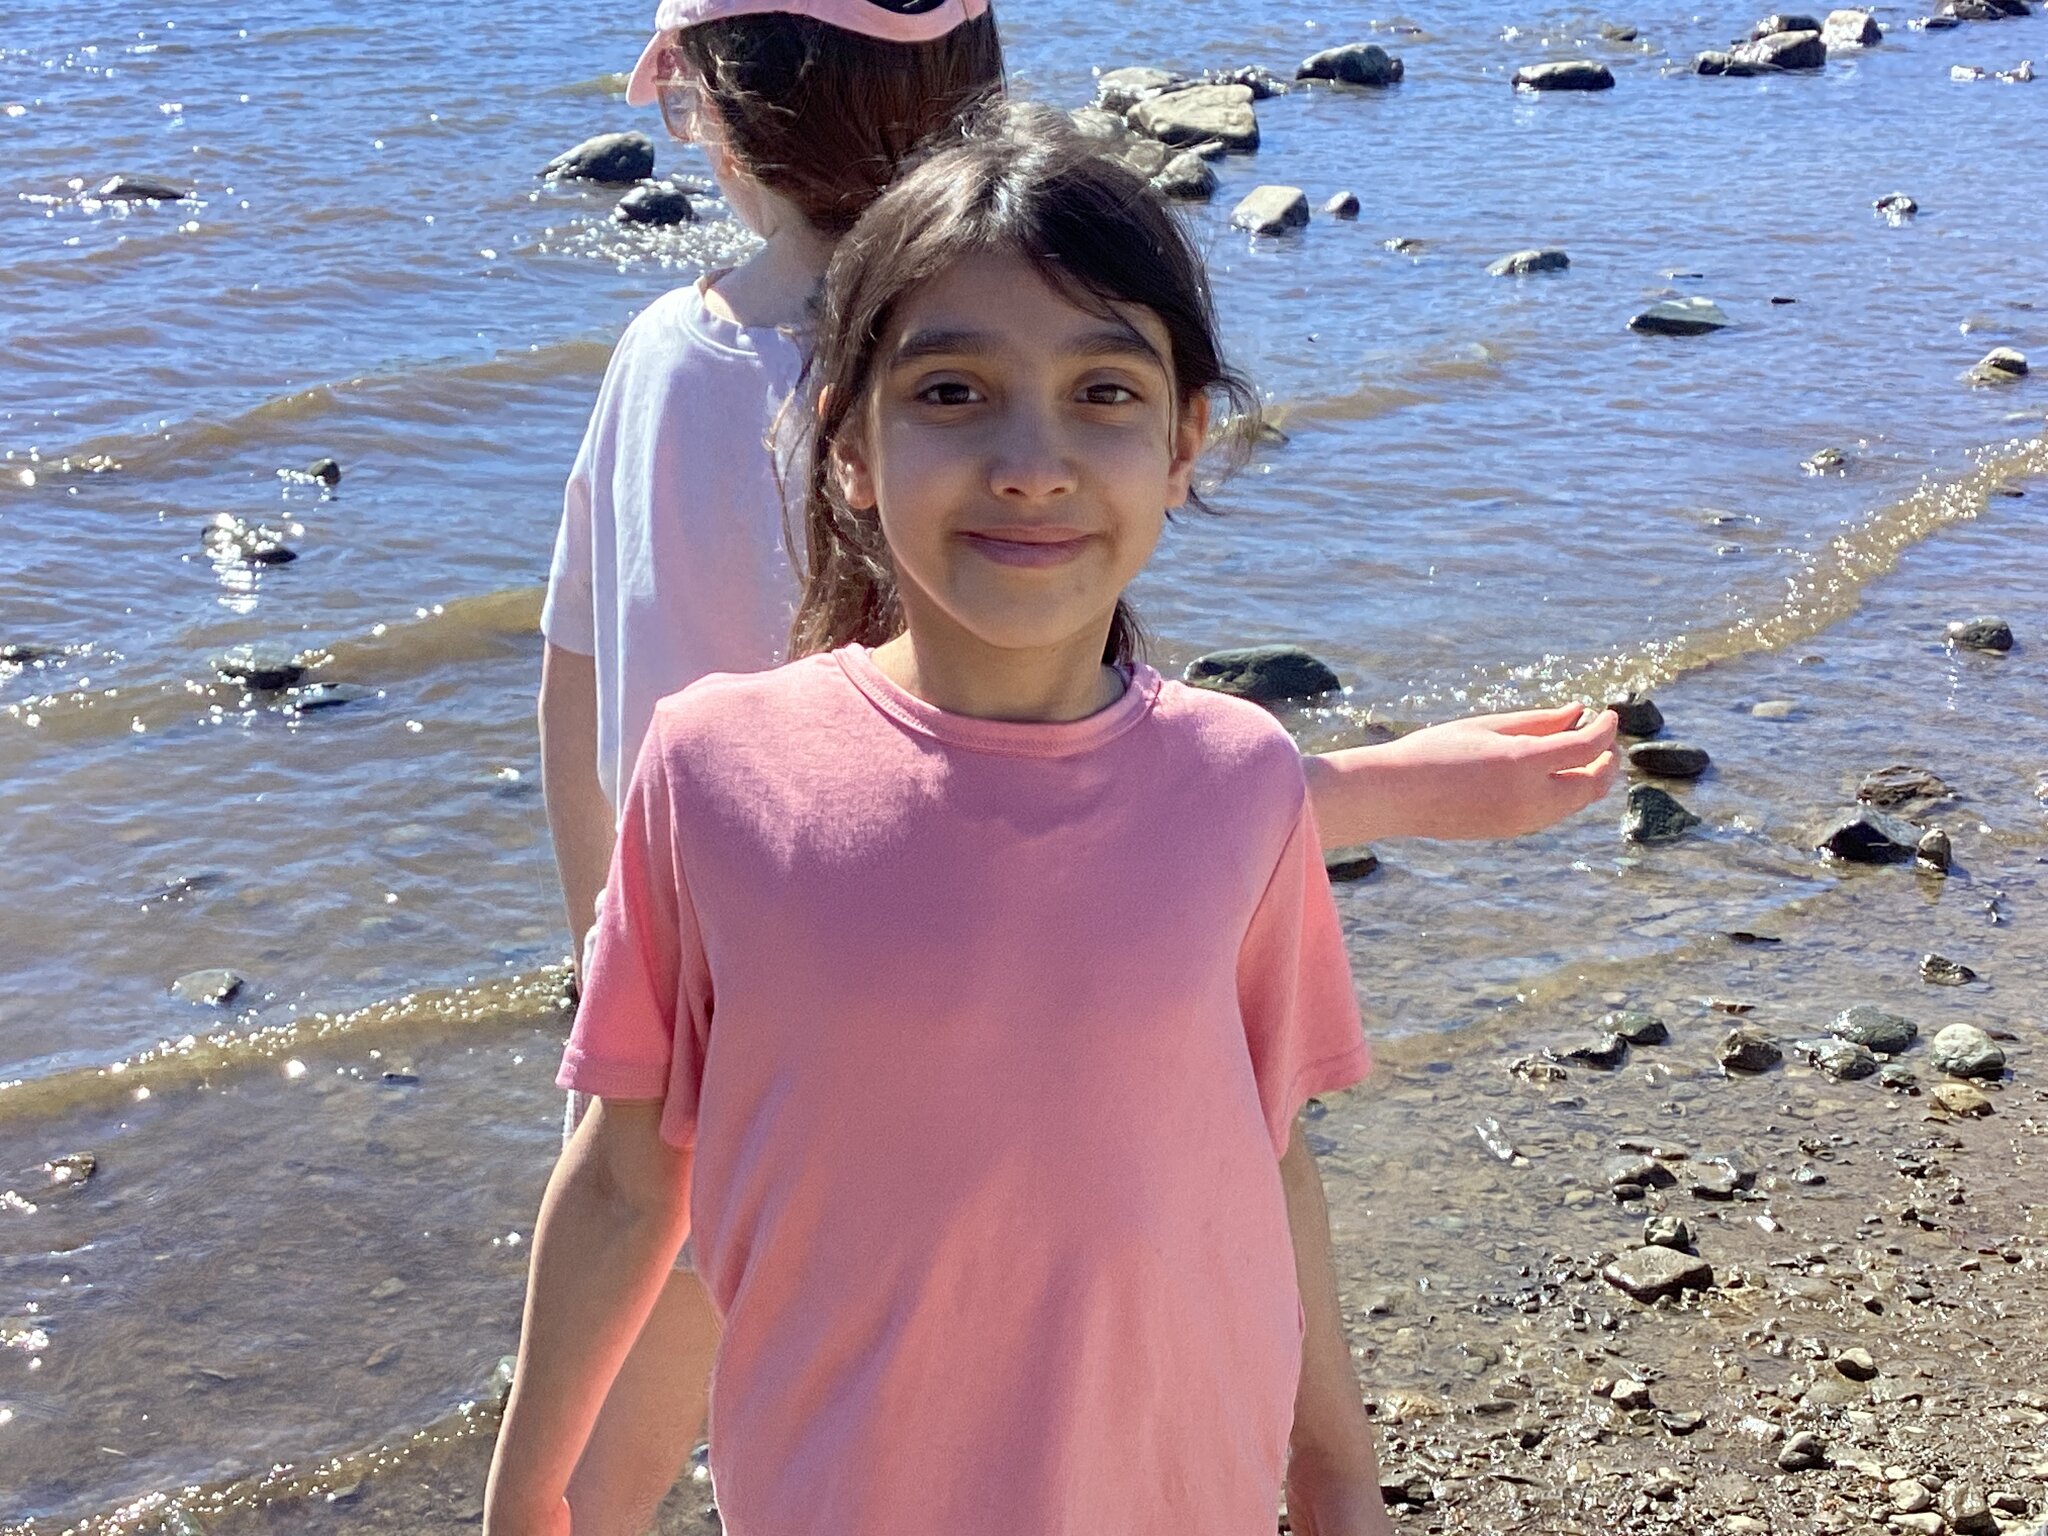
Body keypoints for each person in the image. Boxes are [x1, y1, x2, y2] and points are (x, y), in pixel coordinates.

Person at [537, 3, 1617, 1526]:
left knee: (716, 1307)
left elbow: (577, 676)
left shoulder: (696, 358)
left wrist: (618, 974)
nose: (1029, 461)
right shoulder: (727, 734)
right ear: (847, 446)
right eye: (955, 397)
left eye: (1103, 396)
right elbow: (1023, 809)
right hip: (793, 985)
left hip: (767, 1011)